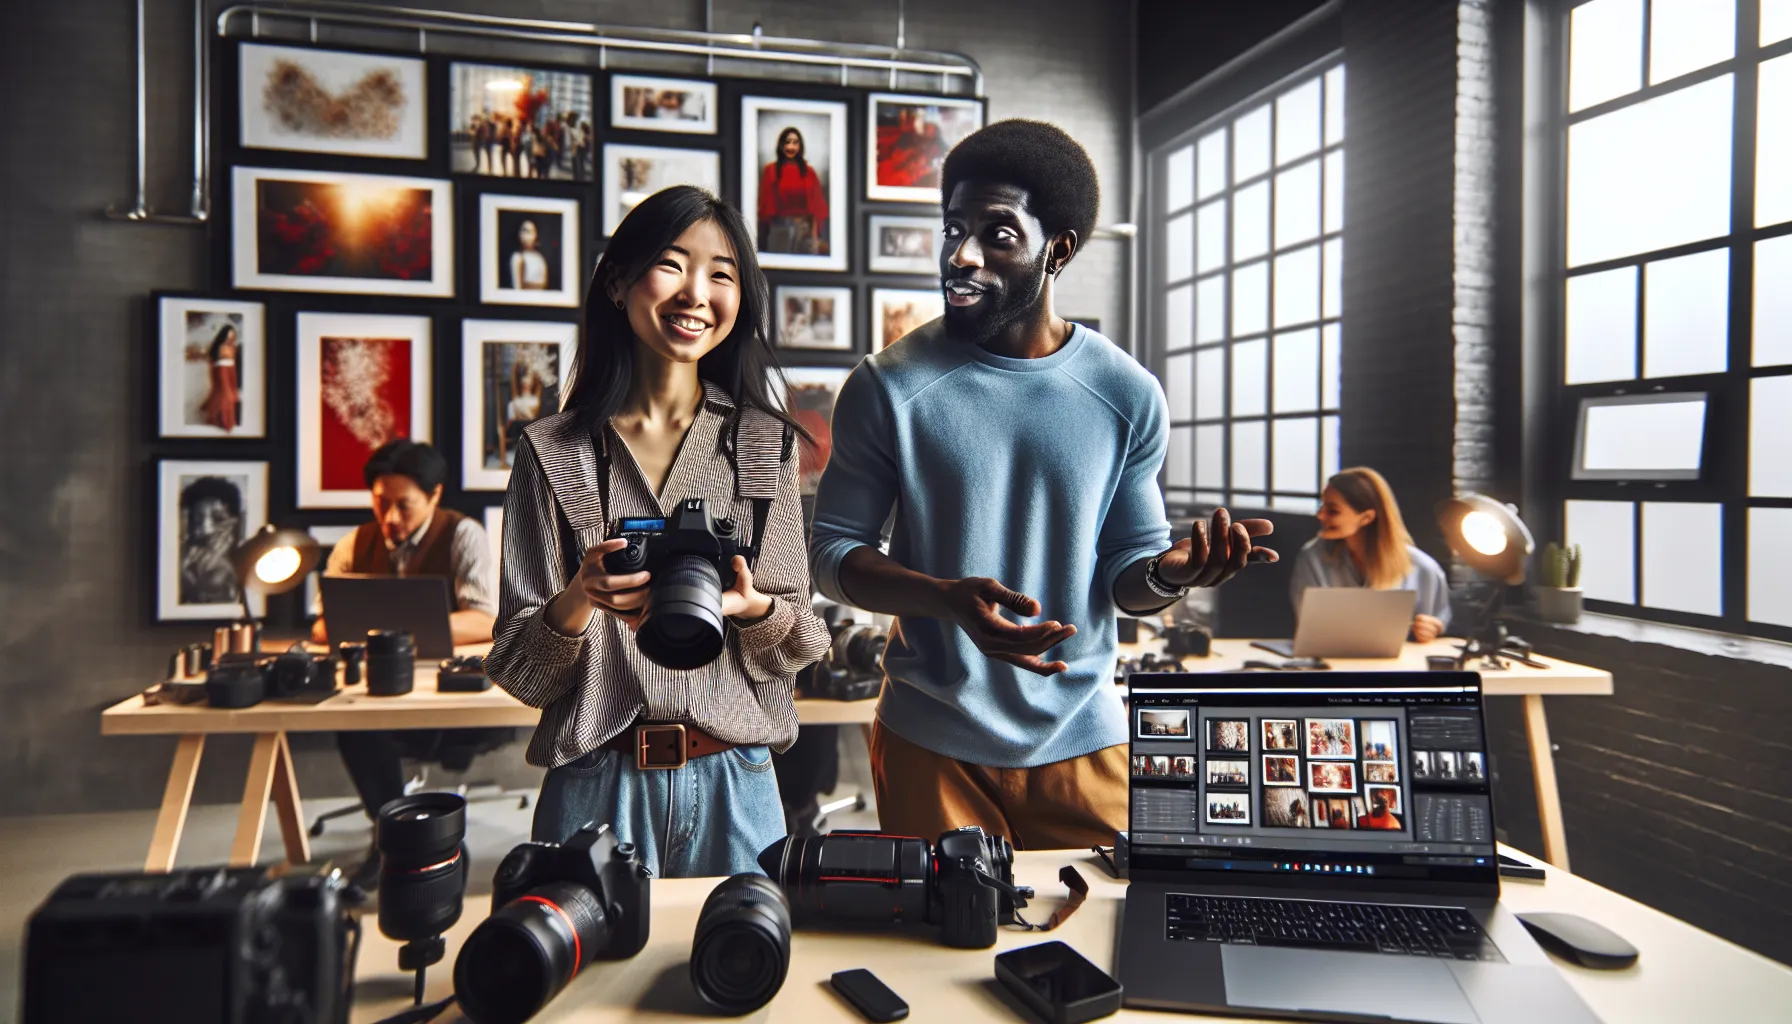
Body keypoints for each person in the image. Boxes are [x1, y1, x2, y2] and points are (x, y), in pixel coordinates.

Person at [808, 120, 1276, 851]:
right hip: (931, 740)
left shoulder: (1126, 393)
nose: (961, 255)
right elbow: (832, 555)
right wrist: (944, 601)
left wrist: (1172, 573)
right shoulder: (887, 386)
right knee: (936, 959)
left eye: (997, 235)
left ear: (1059, 249)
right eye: (953, 228)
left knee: (1104, 952)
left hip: (1085, 738)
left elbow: (1130, 575)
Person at [484, 184, 829, 878]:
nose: (696, 293)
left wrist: (751, 607)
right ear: (617, 283)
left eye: (721, 274)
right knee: (584, 985)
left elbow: (802, 644)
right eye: (672, 265)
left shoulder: (766, 445)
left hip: (737, 781)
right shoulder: (554, 450)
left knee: (739, 978)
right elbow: (520, 669)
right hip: (594, 785)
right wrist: (580, 596)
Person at [309, 440, 500, 886]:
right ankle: (396, 837)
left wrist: (387, 629)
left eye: (404, 505)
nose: (391, 518)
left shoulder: (463, 534)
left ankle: (410, 837)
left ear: (434, 495)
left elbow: (484, 619)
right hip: (380, 688)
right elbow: (324, 627)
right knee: (354, 722)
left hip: (450, 691)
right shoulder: (355, 543)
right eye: (380, 504)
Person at [1290, 467, 1453, 643]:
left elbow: (1438, 621)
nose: (1320, 515)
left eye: (1333, 511)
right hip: (1330, 663)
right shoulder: (1313, 558)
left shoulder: (1422, 568)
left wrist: (1430, 629)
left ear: (1366, 518)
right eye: (1322, 506)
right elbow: (1310, 627)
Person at [757, 127, 828, 255]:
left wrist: (814, 237)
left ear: (800, 146)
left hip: (805, 232)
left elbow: (817, 209)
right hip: (779, 229)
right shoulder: (771, 171)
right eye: (787, 142)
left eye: (795, 142)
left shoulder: (809, 172)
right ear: (781, 145)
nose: (791, 147)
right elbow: (765, 207)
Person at [179, 476, 243, 604]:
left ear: (235, 523)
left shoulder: (242, 561)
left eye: (219, 519)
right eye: (197, 520)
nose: (206, 530)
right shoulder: (182, 560)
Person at [198, 323, 241, 433]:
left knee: (227, 394)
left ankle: (219, 418)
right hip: (221, 371)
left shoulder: (233, 347)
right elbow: (212, 361)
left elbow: (234, 363)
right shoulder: (218, 346)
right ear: (224, 334)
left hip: (230, 372)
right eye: (229, 335)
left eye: (232, 335)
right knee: (225, 395)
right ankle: (226, 423)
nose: (230, 337)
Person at [509, 219, 550, 291]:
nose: (526, 236)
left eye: (530, 232)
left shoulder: (539, 257)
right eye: (524, 231)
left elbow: (544, 283)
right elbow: (518, 288)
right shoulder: (518, 257)